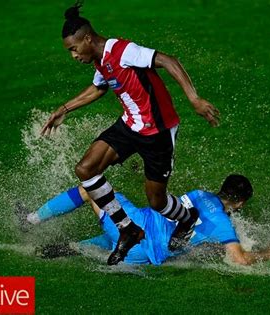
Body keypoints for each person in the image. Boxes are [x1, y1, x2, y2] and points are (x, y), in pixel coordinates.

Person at [40, 2, 220, 265]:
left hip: (157, 132)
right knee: (86, 169)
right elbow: (97, 89)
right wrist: (64, 109)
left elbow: (168, 60)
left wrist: (194, 99)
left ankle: (187, 217)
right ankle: (128, 229)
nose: (74, 56)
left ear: (87, 39)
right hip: (130, 126)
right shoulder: (100, 61)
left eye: (74, 49)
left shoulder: (123, 51)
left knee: (157, 201)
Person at [18, 175, 270, 266]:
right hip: (142, 255)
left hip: (135, 225)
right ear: (239, 203)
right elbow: (239, 259)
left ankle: (31, 221)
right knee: (111, 241)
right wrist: (268, 253)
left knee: (89, 189)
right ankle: (70, 248)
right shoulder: (223, 226)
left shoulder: (199, 194)